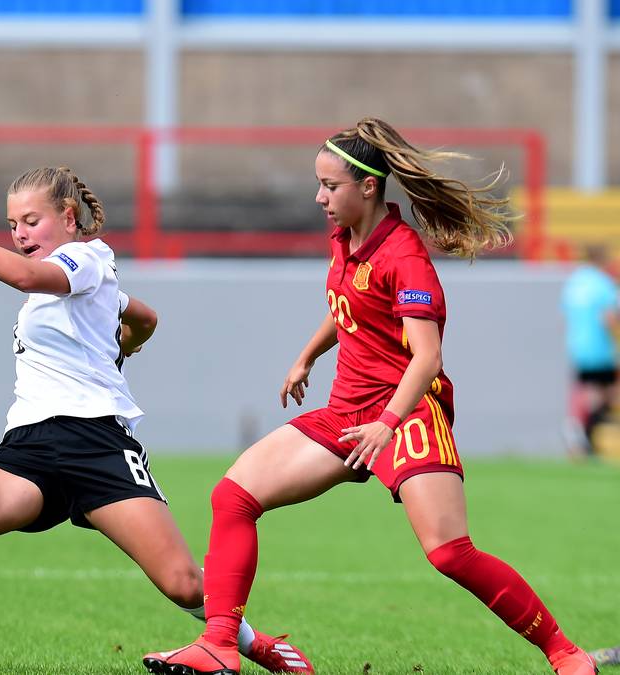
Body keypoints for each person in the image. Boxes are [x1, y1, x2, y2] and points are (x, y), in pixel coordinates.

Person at [143, 118, 597, 675]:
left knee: (449, 552)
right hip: (347, 413)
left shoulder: (404, 256)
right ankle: (218, 647)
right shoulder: (345, 239)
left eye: (330, 186)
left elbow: (427, 357)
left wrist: (386, 421)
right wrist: (308, 354)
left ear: (367, 187)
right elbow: (350, 307)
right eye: (319, 184)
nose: (320, 197)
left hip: (406, 414)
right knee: (233, 496)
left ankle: (565, 653)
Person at [0, 165, 314, 673]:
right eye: (12, 225)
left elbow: (29, 276)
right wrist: (120, 347)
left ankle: (257, 644)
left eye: (31, 220)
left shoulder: (85, 258)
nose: (20, 234)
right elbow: (144, 317)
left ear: (69, 218)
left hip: (98, 444)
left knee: (182, 582)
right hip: (30, 444)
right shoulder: (77, 282)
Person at [560, 244, 619, 457]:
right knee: (608, 393)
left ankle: (579, 431)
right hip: (600, 349)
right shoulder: (603, 284)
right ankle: (582, 431)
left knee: (588, 390)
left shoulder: (575, 282)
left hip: (578, 347)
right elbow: (609, 318)